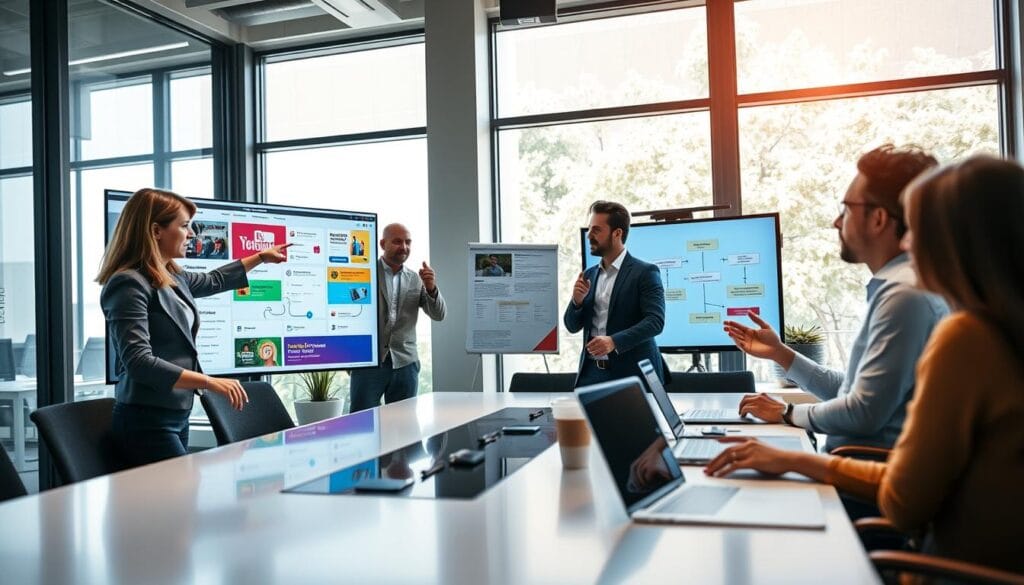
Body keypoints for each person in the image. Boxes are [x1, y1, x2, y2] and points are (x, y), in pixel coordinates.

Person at [707, 155, 1024, 576]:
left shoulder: (959, 332)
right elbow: (856, 391)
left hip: (934, 566)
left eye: (921, 230)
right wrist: (782, 355)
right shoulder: (998, 327)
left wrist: (794, 448)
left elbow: (904, 501)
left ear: (957, 241)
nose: (910, 244)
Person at [723, 145, 947, 452]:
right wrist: (780, 353)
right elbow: (850, 392)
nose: (837, 222)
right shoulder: (901, 289)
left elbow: (863, 412)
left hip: (858, 487)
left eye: (846, 209)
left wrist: (786, 412)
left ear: (879, 219)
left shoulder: (905, 298)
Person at [98, 188, 290, 466]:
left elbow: (213, 280)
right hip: (145, 419)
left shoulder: (171, 275)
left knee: (178, 501)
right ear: (155, 231)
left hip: (176, 411)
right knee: (175, 501)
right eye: (185, 226)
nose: (191, 234)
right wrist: (209, 382)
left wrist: (260, 257)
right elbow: (138, 362)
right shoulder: (127, 284)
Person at [564, 200, 665, 387]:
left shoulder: (645, 272)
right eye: (589, 229)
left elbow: (655, 322)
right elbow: (571, 326)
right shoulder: (589, 275)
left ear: (617, 233)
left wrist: (614, 341)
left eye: (596, 230)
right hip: (591, 375)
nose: (589, 236)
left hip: (632, 375)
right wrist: (576, 302)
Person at [349, 223, 446, 412]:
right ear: (382, 244)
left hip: (405, 364)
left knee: (405, 427)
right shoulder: (363, 274)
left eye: (408, 242)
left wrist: (431, 287)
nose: (404, 247)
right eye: (397, 242)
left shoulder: (416, 279)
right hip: (369, 364)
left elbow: (439, 314)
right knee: (362, 425)